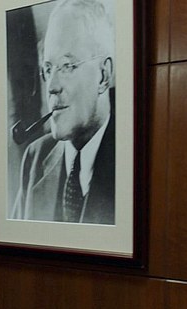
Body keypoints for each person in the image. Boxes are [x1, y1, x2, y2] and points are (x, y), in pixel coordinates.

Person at [11, 0, 115, 224]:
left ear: (103, 76)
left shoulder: (130, 159)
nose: (51, 86)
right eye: (48, 69)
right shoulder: (35, 158)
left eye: (68, 66)